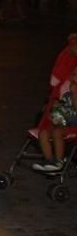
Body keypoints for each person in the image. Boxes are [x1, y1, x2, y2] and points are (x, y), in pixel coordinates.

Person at [33, 35, 77, 171]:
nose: (74, 74)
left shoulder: (75, 87)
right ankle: (50, 161)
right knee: (43, 133)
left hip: (71, 121)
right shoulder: (63, 83)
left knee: (57, 133)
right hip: (58, 118)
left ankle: (58, 162)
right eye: (73, 71)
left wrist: (74, 91)